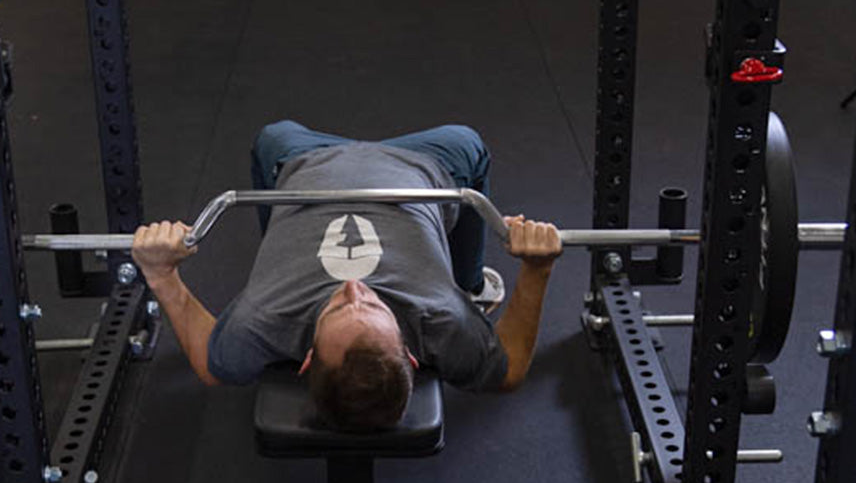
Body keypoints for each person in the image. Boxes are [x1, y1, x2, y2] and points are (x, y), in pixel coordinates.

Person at [131, 121, 562, 431]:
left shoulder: (262, 320)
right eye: (374, 305)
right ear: (411, 354)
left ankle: (281, 230)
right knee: (468, 142)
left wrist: (160, 272)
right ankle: (473, 285)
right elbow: (510, 371)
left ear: (306, 358)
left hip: (302, 158)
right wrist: (537, 268)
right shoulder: (443, 320)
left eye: (337, 307)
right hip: (424, 163)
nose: (354, 288)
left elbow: (210, 364)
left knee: (271, 136)